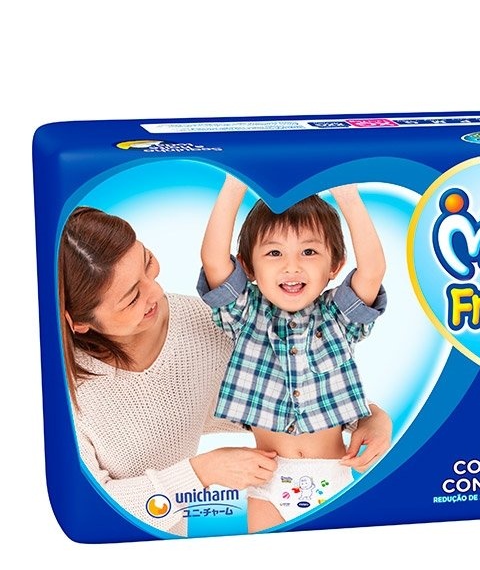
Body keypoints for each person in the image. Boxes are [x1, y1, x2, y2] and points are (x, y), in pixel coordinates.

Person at [59, 206, 392, 537]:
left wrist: (367, 418)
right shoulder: (60, 393)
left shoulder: (208, 325)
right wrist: (201, 473)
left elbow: (292, 390)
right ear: (79, 322)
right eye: (132, 298)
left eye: (148, 263)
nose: (156, 291)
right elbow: (91, 514)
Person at [198, 176, 387, 528]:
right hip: (268, 479)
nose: (292, 266)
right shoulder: (246, 314)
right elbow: (213, 259)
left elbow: (373, 270)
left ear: (335, 265)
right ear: (248, 267)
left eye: (309, 252)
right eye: (274, 253)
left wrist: (347, 193)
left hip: (335, 476)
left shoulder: (339, 317)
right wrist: (234, 183)